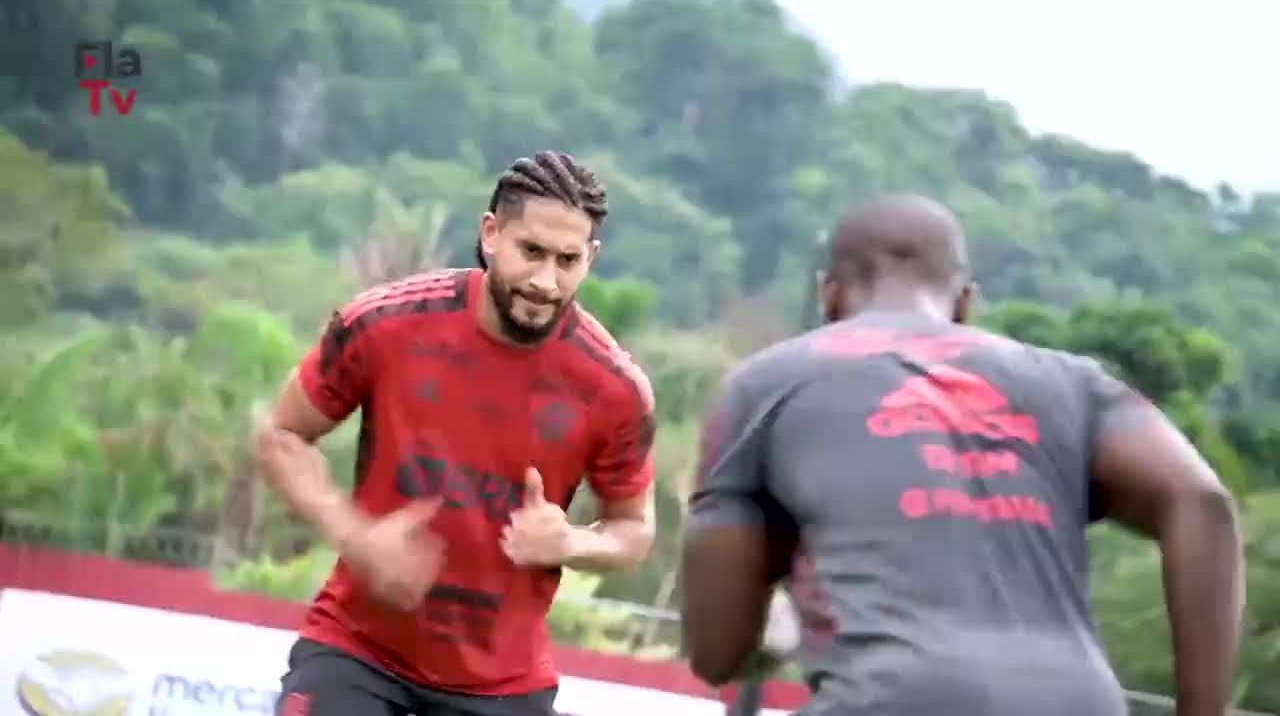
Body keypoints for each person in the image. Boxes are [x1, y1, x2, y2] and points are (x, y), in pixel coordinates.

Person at [679, 194, 1245, 716]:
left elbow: (717, 652)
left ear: (829, 293)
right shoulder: (1074, 384)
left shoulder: (762, 387)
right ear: (965, 302)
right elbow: (1202, 503)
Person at [253, 151, 658, 716]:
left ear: (590, 257)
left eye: (568, 260)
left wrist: (569, 541)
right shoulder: (383, 323)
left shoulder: (616, 390)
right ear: (490, 233)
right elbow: (282, 436)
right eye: (531, 251)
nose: (545, 281)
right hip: (358, 653)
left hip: (504, 688)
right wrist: (355, 536)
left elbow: (633, 531)